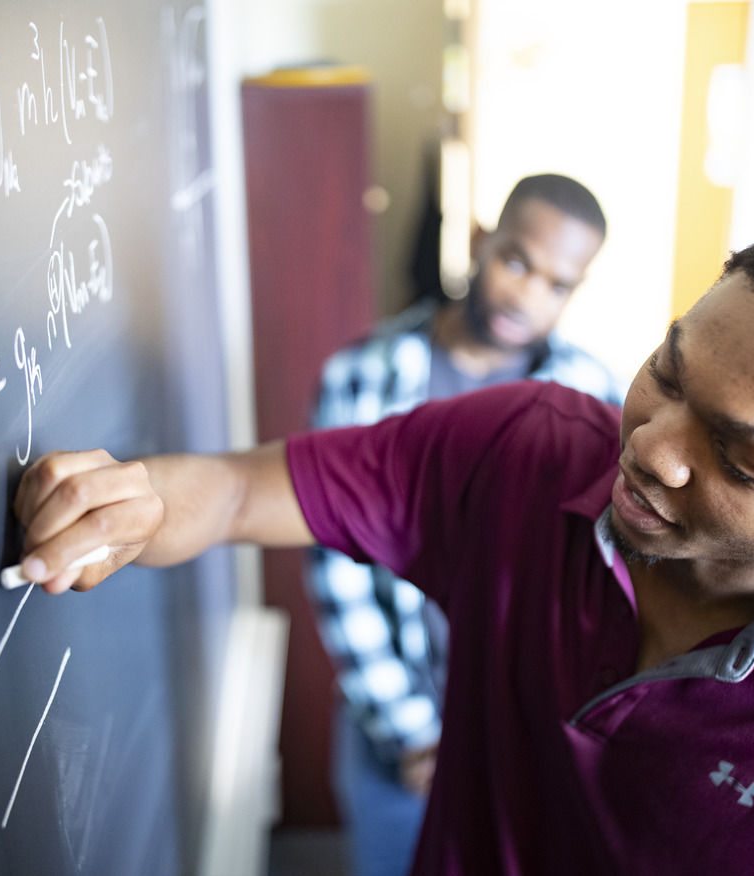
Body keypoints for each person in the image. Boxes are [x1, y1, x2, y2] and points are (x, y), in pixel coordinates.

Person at [11, 207, 754, 874]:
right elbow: (230, 495)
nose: (649, 449)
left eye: (739, 458)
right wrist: (133, 500)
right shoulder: (524, 446)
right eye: (668, 372)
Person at [308, 173, 623, 876]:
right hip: (395, 723)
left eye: (556, 284)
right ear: (481, 242)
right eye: (516, 261)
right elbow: (336, 564)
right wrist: (415, 736)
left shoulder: (595, 396)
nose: (526, 296)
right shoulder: (362, 377)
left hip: (532, 729)